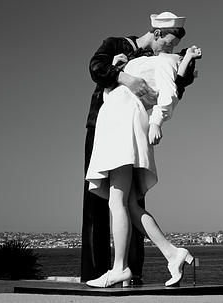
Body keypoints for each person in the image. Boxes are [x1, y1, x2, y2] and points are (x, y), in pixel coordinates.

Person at [81, 11, 198, 287]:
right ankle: (172, 253)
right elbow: (96, 69)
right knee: (129, 204)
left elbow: (172, 92)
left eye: (173, 48)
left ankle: (120, 267)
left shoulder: (163, 61)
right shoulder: (126, 50)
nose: (169, 50)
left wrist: (157, 120)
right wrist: (120, 70)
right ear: (156, 34)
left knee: (116, 202)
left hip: (122, 124)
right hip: (115, 124)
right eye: (167, 44)